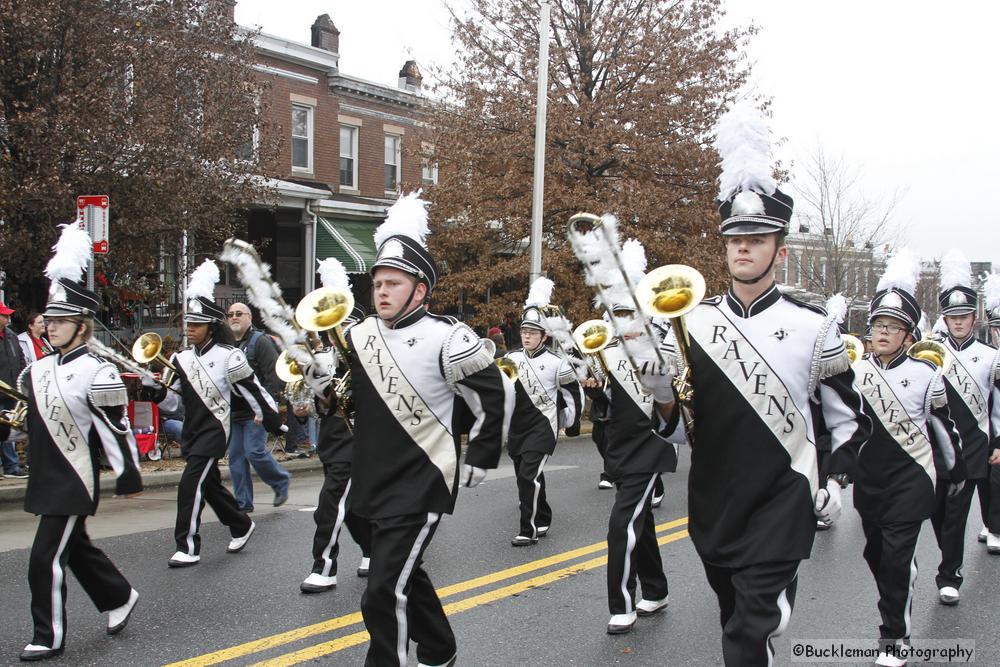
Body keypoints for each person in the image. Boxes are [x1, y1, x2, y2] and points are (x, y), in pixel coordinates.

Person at [658, 105, 871, 666]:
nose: (743, 248)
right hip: (713, 501)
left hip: (784, 500)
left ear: (779, 246)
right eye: (734, 238)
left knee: (750, 633)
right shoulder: (690, 323)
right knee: (737, 621)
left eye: (757, 238)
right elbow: (676, 427)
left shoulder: (814, 324)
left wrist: (838, 479)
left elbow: (845, 418)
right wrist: (656, 382)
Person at [346, 193, 511, 667]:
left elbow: (490, 395)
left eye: (392, 283)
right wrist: (318, 388)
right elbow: (350, 400)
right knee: (401, 575)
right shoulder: (360, 334)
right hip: (369, 477)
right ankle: (439, 648)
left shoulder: (448, 336)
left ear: (419, 290)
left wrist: (481, 452)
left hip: (421, 481)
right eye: (377, 282)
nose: (380, 291)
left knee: (381, 591)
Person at [17, 224, 143, 662]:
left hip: (74, 478)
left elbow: (116, 427)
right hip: (44, 475)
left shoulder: (98, 370)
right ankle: (119, 596)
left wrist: (127, 471)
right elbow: (26, 423)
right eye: (49, 320)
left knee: (44, 559)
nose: (51, 327)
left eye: (61, 320)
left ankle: (47, 635)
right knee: (77, 551)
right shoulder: (34, 370)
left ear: (82, 326)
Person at [852, 249, 965, 666]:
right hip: (870, 482)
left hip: (912, 480)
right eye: (878, 324)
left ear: (908, 335)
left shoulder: (926, 375)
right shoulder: (855, 374)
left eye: (893, 326)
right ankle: (901, 581)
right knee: (877, 556)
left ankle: (894, 638)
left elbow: (944, 429)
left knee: (897, 561)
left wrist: (954, 474)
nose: (883, 332)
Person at [141, 260, 283, 568]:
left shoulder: (229, 357)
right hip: (192, 429)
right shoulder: (180, 359)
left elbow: (254, 391)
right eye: (187, 324)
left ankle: (187, 546)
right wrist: (155, 392)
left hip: (216, 430)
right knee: (211, 486)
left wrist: (273, 419)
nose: (189, 329)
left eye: (196, 324)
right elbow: (173, 404)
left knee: (190, 485)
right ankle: (241, 524)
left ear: (211, 326)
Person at [578, 238, 678, 635]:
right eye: (614, 311)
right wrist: (594, 391)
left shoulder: (661, 347)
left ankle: (622, 605)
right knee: (642, 524)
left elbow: (672, 408)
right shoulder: (607, 349)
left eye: (625, 310)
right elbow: (608, 408)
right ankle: (657, 589)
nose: (618, 318)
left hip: (649, 449)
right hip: (619, 450)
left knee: (622, 525)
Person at [296, 261, 372, 593]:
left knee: (330, 503)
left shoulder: (365, 347)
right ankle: (372, 550)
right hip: (332, 439)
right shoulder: (323, 355)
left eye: (339, 327)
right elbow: (323, 407)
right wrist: (316, 391)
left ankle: (323, 567)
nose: (334, 334)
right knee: (351, 507)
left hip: (359, 440)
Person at [930, 250, 1000, 599]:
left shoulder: (991, 357)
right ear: (944, 318)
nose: (958, 322)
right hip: (938, 448)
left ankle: (949, 577)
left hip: (974, 448)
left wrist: (999, 442)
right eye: (952, 316)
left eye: (964, 316)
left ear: (973, 317)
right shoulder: (929, 352)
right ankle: (948, 557)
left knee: (956, 515)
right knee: (939, 514)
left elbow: (998, 404)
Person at [503, 277, 582, 546]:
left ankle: (529, 529)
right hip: (517, 428)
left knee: (528, 477)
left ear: (544, 336)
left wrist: (571, 425)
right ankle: (544, 514)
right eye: (524, 331)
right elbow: (500, 392)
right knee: (527, 478)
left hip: (543, 428)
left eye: (532, 332)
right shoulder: (511, 359)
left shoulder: (557, 363)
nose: (526, 336)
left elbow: (573, 394)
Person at [225, 301, 291, 511]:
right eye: (230, 315)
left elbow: (274, 376)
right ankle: (243, 503)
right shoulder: (225, 345)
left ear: (249, 318)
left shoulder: (259, 341)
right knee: (236, 458)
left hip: (257, 412)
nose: (234, 317)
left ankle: (280, 481)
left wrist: (268, 410)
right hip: (234, 413)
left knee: (253, 452)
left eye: (239, 314)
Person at [0, 297, 28, 478]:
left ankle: (11, 466)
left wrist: (21, 381)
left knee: (11, 430)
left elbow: (20, 360)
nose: (7, 319)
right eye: (3, 316)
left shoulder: (11, 336)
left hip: (11, 390)